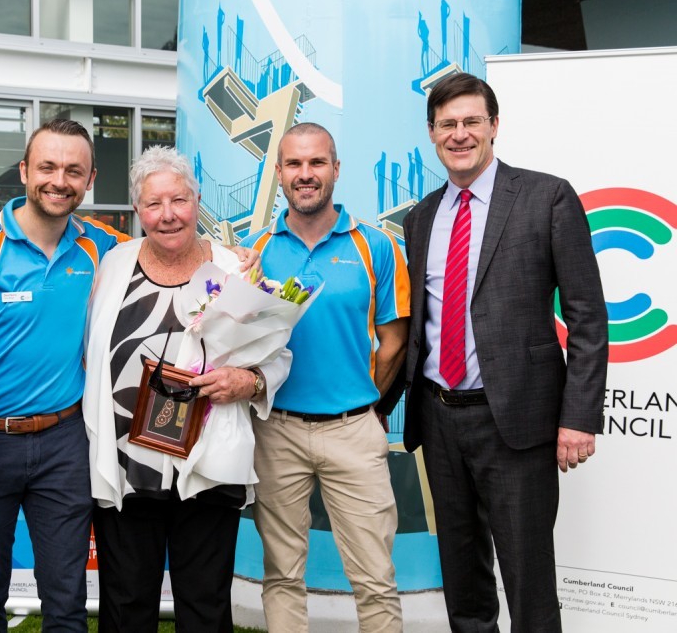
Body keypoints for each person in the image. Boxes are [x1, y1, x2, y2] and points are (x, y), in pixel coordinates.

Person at [402, 72, 608, 632]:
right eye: (448, 124)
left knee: (527, 580)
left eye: (472, 121)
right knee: (463, 581)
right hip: (439, 420)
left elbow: (588, 316)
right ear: (432, 133)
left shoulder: (547, 197)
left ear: (495, 126)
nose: (460, 134)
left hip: (516, 421)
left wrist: (579, 417)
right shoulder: (419, 217)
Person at [83, 146, 290, 632]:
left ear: (198, 201)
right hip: (127, 468)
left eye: (179, 200)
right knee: (126, 605)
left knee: (204, 606)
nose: (168, 215)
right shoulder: (113, 264)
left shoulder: (235, 267)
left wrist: (249, 381)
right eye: (154, 204)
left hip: (208, 467)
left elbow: (277, 353)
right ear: (138, 211)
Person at [0, 119, 124, 632]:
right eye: (48, 166)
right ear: (24, 171)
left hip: (64, 442)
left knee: (66, 602)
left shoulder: (105, 247)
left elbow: (171, 255)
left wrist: (232, 257)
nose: (59, 180)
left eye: (73, 170)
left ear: (89, 180)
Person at [241, 122, 409, 632]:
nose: (305, 174)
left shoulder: (374, 245)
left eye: (317, 163)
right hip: (276, 430)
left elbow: (394, 340)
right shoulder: (254, 249)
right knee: (282, 574)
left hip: (353, 431)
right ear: (280, 172)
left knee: (376, 578)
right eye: (294, 164)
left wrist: (365, 404)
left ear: (336, 169)